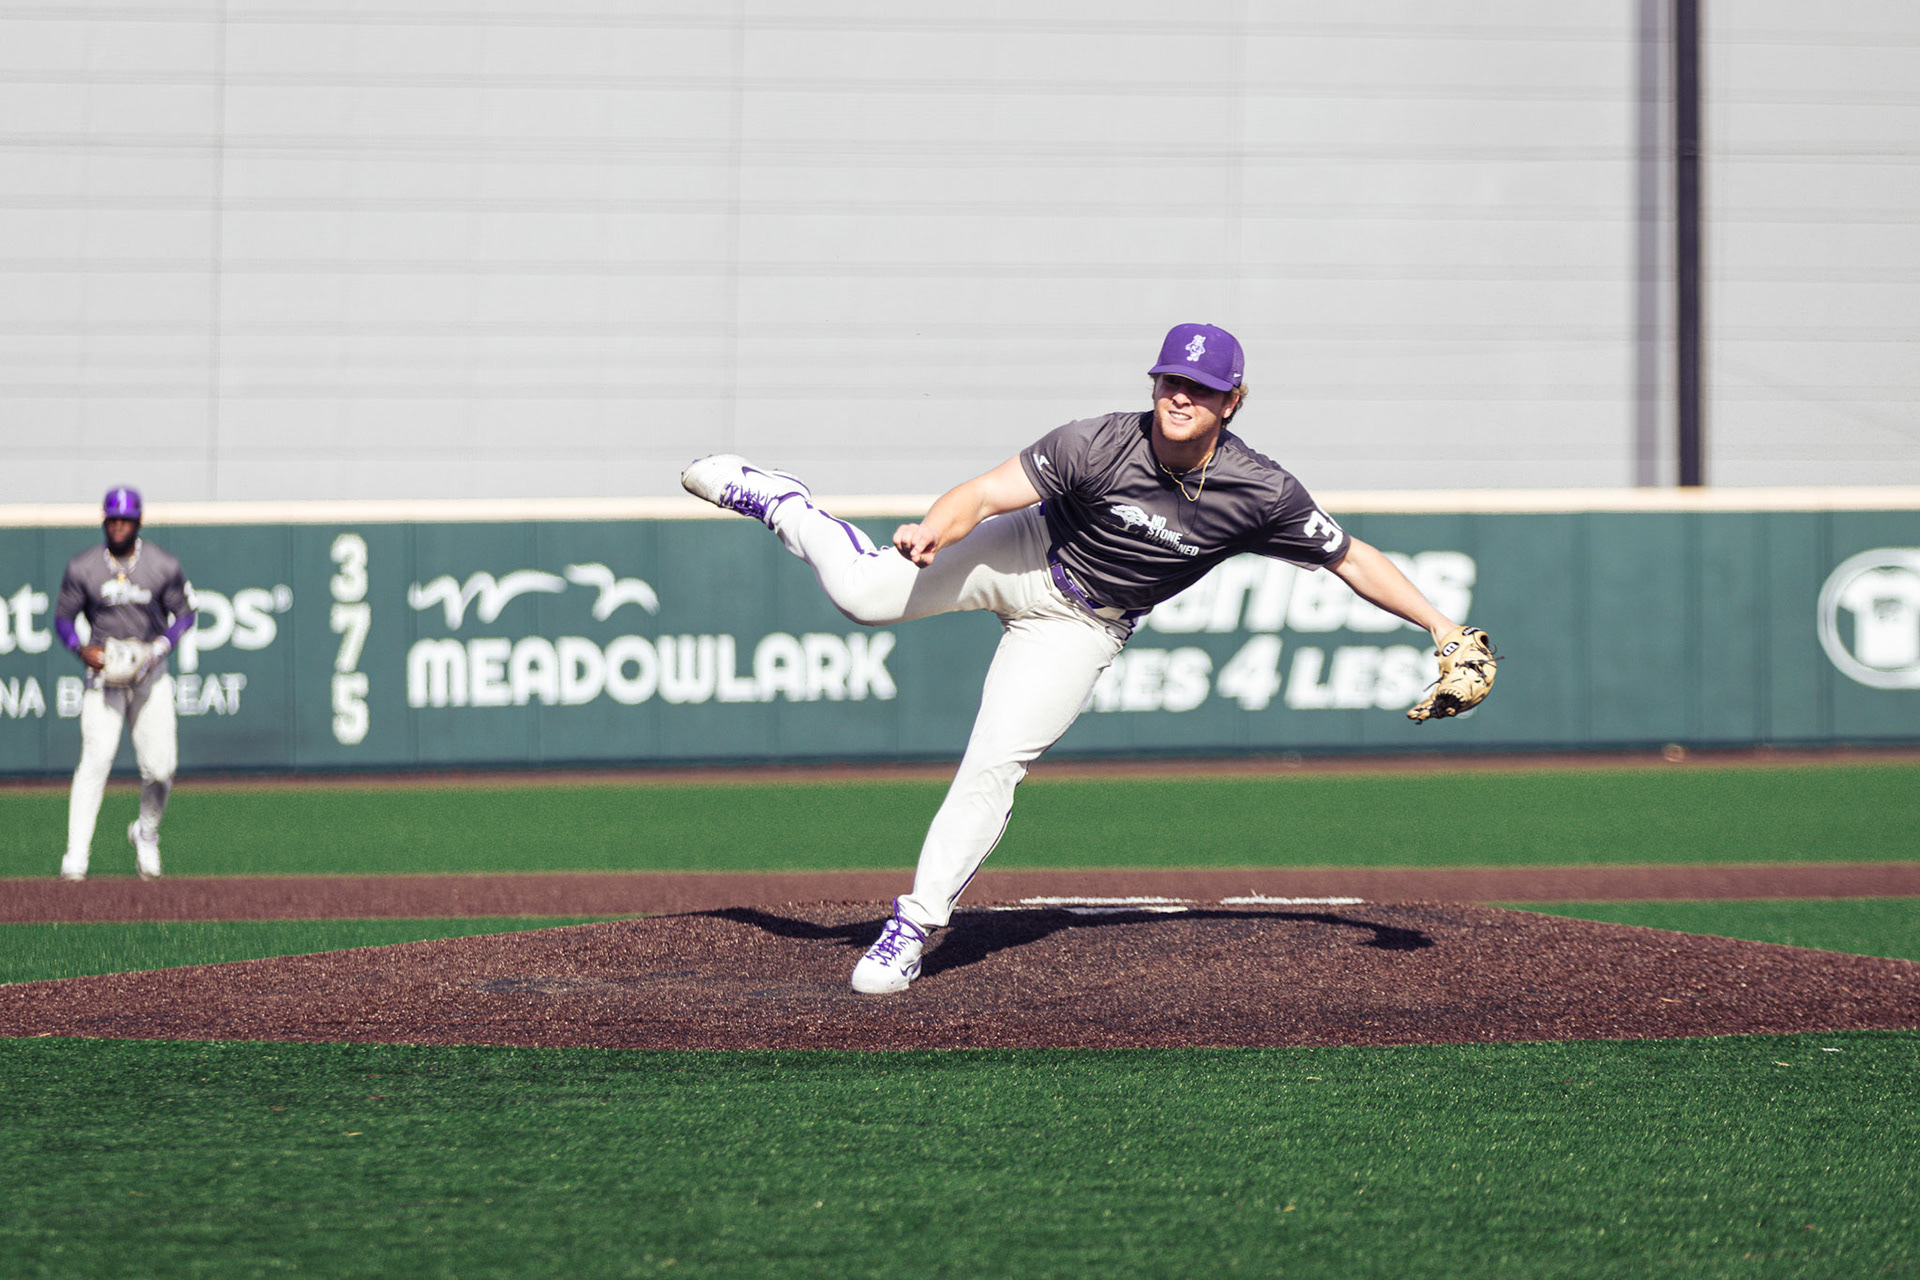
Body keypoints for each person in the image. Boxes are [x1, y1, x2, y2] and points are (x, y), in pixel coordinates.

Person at [682, 322, 1480, 994]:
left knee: (994, 763)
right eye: (1171, 378)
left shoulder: (1260, 491)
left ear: (1232, 403)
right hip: (1020, 551)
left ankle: (912, 927)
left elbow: (1350, 558)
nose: (1179, 395)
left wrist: (1441, 627)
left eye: (1200, 387)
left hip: (1083, 626)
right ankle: (778, 498)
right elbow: (987, 493)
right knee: (861, 595)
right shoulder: (1098, 440)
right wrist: (936, 528)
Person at [54, 486, 196, 881]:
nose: (118, 526)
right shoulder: (83, 567)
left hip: (149, 674)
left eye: (125, 520)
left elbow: (185, 614)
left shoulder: (161, 564)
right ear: (104, 521)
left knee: (162, 767)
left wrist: (160, 646)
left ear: (137, 522)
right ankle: (76, 856)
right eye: (113, 519)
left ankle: (146, 832)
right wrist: (79, 648)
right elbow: (63, 618)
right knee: (95, 760)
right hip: (104, 676)